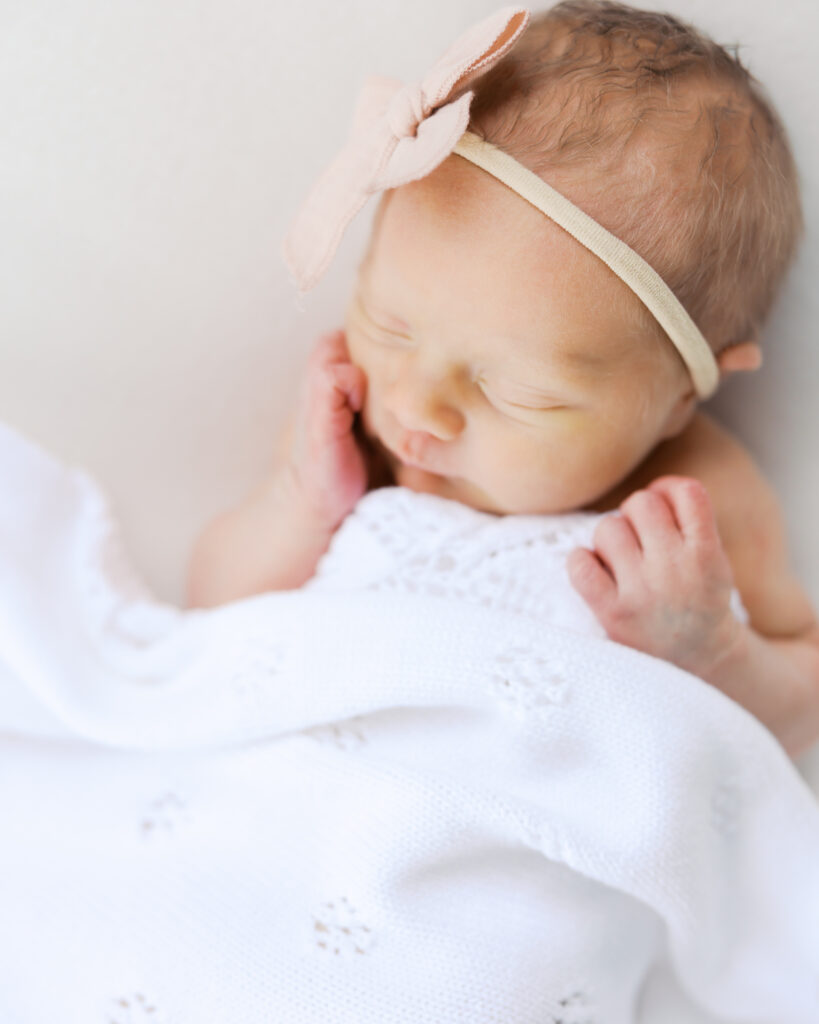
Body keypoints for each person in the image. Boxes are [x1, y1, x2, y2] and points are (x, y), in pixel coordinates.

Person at [186, 0, 819, 758]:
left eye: (519, 392)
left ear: (681, 397)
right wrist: (297, 505)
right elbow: (213, 615)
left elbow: (801, 714)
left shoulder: (698, 510)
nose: (414, 404)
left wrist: (712, 652)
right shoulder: (352, 437)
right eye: (388, 324)